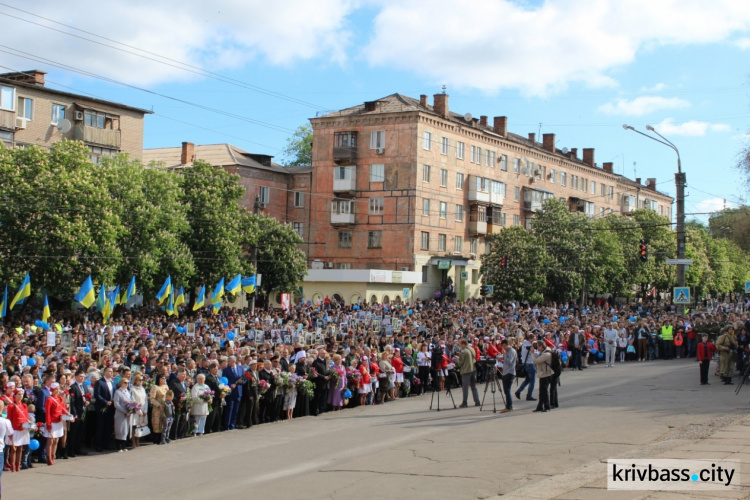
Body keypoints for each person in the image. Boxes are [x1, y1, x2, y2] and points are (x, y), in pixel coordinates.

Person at [44, 382, 70, 464]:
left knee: (56, 440)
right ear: (52, 390)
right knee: (50, 440)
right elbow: (47, 413)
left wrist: (69, 416)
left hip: (59, 422)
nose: (57, 391)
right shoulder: (49, 399)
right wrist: (48, 424)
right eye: (55, 389)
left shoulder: (60, 398)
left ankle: (53, 455)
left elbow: (63, 409)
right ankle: (48, 457)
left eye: (58, 389)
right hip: (52, 422)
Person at [94, 366, 115, 452]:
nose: (111, 373)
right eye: (109, 371)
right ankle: (98, 445)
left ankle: (106, 443)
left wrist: (114, 399)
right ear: (104, 372)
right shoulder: (99, 382)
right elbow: (97, 395)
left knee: (108, 426)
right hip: (102, 407)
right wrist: (105, 402)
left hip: (111, 408)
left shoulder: (113, 383)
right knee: (100, 426)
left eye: (112, 371)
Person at [7, 390, 28, 472]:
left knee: (20, 448)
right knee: (13, 448)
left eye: (22, 394)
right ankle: (12, 465)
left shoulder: (24, 405)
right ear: (14, 396)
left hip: (22, 429)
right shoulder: (11, 406)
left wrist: (26, 425)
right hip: (14, 429)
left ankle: (18, 464)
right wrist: (10, 430)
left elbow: (26, 417)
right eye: (19, 394)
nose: (21, 396)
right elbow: (9, 419)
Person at [457, 339, 480, 408]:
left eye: (460, 345)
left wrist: (457, 359)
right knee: (474, 386)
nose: (460, 346)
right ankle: (477, 401)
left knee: (465, 387)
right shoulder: (472, 349)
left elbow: (460, 362)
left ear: (463, 344)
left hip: (466, 371)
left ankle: (465, 402)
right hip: (473, 369)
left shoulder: (464, 351)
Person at [222, 356, 243, 430]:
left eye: (229, 361)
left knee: (236, 410)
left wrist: (242, 381)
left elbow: (244, 378)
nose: (228, 363)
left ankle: (233, 425)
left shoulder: (240, 368)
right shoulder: (226, 370)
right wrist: (230, 384)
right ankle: (227, 425)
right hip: (231, 392)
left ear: (234, 361)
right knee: (229, 409)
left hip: (238, 392)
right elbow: (224, 379)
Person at [532, 341, 553, 413]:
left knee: (544, 391)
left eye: (537, 346)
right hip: (544, 373)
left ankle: (547, 406)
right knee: (541, 391)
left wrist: (532, 353)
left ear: (541, 346)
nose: (537, 348)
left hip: (546, 374)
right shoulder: (546, 351)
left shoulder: (546, 354)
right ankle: (540, 406)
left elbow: (535, 361)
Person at [112, 378, 132, 452]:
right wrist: (124, 411)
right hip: (120, 413)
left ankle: (124, 446)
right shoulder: (118, 392)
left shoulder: (128, 392)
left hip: (127, 413)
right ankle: (119, 446)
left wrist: (131, 409)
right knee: (119, 429)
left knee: (125, 430)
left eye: (127, 383)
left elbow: (131, 401)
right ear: (121, 383)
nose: (126, 384)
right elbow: (116, 404)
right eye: (125, 383)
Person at [515, 334, 537, 401]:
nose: (535, 340)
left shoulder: (524, 344)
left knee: (527, 380)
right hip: (530, 364)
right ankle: (529, 395)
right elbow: (535, 354)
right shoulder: (530, 346)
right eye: (534, 339)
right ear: (530, 339)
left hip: (525, 364)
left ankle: (518, 391)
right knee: (532, 381)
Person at [149, 374, 168, 445]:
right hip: (157, 408)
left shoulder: (166, 387)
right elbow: (152, 398)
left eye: (165, 378)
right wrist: (158, 405)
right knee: (157, 424)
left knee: (164, 424)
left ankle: (163, 439)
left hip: (165, 408)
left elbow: (168, 396)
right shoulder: (155, 387)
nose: (164, 379)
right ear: (159, 379)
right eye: (162, 378)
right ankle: (156, 441)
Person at [130, 374, 148, 448]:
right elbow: (133, 400)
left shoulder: (143, 389)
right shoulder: (132, 389)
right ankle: (133, 442)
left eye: (142, 380)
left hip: (143, 410)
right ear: (135, 381)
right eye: (139, 380)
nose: (141, 381)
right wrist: (138, 411)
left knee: (140, 426)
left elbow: (145, 400)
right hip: (136, 411)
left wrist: (145, 410)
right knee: (135, 426)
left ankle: (138, 441)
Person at [311, 348, 330, 416]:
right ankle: (316, 410)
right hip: (319, 382)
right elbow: (315, 372)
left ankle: (321, 409)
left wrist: (329, 375)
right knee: (317, 397)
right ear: (319, 354)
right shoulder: (316, 362)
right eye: (323, 353)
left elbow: (326, 370)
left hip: (325, 383)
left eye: (325, 353)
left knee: (323, 397)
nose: (324, 354)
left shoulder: (325, 361)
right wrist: (323, 377)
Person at [500, 339, 516, 413]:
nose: (504, 348)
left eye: (504, 346)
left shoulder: (511, 351)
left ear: (507, 344)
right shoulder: (508, 351)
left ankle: (509, 406)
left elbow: (509, 361)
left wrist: (504, 354)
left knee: (507, 390)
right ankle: (508, 405)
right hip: (506, 372)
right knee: (506, 390)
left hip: (509, 372)